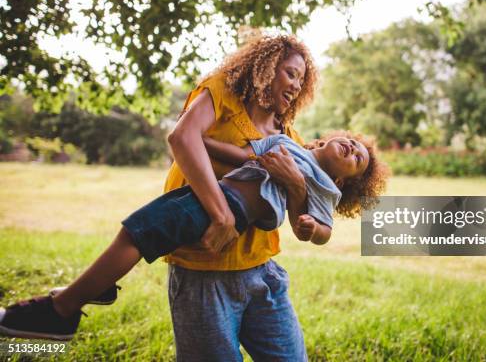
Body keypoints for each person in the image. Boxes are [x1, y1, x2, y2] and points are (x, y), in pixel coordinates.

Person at [0, 131, 389, 343]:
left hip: (226, 210)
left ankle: (63, 310)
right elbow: (241, 156)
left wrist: (312, 229)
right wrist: (200, 140)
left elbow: (321, 229)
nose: (354, 148)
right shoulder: (283, 142)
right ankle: (92, 288)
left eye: (357, 159)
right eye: (353, 143)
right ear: (322, 140)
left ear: (341, 180)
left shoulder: (326, 187)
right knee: (140, 229)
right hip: (211, 194)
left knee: (137, 233)